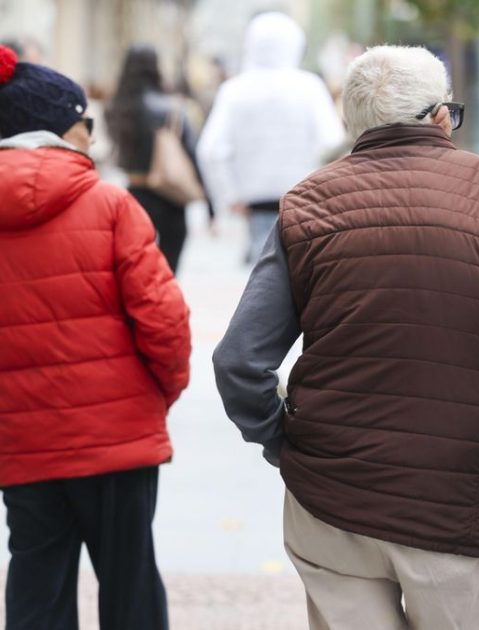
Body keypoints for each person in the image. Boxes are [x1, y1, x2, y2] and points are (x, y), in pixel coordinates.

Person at [213, 45, 479, 629]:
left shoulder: (307, 204)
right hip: (457, 496)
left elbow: (237, 361)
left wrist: (283, 445)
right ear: (439, 117)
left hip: (331, 495)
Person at [0, 45, 191, 629]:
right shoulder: (111, 205)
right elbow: (164, 321)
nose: (91, 133)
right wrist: (158, 394)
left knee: (37, 581)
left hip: (22, 439)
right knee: (129, 581)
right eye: (85, 122)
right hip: (116, 439)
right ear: (61, 130)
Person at [196, 11, 345, 265]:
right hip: (306, 201)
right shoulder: (309, 87)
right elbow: (333, 145)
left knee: (264, 280)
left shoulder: (234, 90)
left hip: (257, 206)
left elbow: (210, 150)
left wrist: (229, 196)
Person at [106, 43, 206, 273]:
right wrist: (209, 204)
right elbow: (192, 154)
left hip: (134, 194)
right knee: (169, 270)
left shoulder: (116, 108)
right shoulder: (172, 108)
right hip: (171, 196)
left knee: (135, 267)